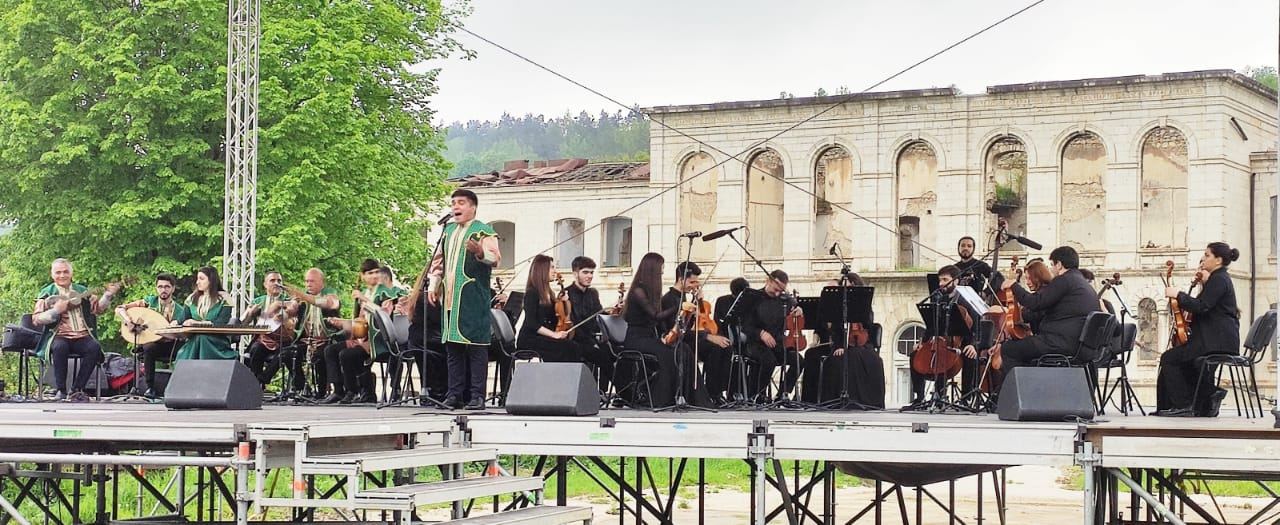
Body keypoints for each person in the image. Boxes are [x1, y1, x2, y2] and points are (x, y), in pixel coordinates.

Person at [423, 189, 501, 410]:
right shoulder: (448, 231)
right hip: (450, 298)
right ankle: (453, 394)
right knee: (453, 347)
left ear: (473, 207)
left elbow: (495, 259)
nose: (456, 207)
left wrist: (479, 252)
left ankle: (477, 396)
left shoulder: (484, 231)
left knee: (476, 346)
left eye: (461, 203)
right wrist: (435, 283)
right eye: (453, 203)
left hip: (472, 297)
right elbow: (439, 261)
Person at [1155, 242, 1241, 417]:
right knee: (1188, 362)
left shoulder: (1219, 279)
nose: (1203, 258)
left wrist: (1178, 294)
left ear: (1218, 260)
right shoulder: (1219, 279)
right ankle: (1206, 398)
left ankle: (1184, 405)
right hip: (1217, 339)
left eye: (1207, 255)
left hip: (1215, 340)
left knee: (1169, 358)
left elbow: (1202, 306)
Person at [993, 246, 1100, 372]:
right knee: (1023, 349)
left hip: (1060, 343)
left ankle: (1025, 388)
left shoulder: (1065, 280)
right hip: (1079, 345)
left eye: (1052, 265)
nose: (1051, 270)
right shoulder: (1083, 284)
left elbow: (1035, 303)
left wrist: (1014, 286)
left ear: (1059, 264)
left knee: (1008, 349)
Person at [33, 259, 120, 401]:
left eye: (65, 272)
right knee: (60, 347)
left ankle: (77, 389)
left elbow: (98, 309)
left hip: (82, 335)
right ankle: (60, 389)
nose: (62, 275)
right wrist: (55, 311)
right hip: (59, 335)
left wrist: (108, 295)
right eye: (58, 272)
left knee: (94, 347)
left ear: (71, 273)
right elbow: (36, 319)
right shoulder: (47, 293)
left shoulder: (82, 290)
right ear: (52, 274)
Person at [801, 274, 885, 407]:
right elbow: (837, 330)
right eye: (844, 285)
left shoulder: (864, 302)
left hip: (862, 344)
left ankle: (861, 400)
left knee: (861, 358)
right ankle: (818, 400)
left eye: (849, 285)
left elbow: (869, 324)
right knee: (825, 357)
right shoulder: (838, 304)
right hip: (842, 343)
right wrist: (840, 345)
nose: (846, 288)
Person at [321, 258, 396, 404]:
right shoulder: (364, 293)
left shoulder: (385, 293)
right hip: (362, 338)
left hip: (378, 340)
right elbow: (359, 323)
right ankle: (338, 390)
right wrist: (341, 323)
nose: (374, 276)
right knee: (330, 350)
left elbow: (384, 315)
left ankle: (354, 391)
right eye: (370, 273)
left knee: (347, 355)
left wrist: (364, 300)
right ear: (362, 276)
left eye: (376, 272)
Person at [621, 252, 692, 407]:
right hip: (636, 339)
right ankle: (660, 399)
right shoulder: (638, 291)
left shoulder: (651, 291)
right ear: (652, 270)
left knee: (681, 349)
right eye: (660, 268)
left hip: (648, 337)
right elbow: (656, 316)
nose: (662, 272)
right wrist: (678, 306)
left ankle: (681, 395)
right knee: (666, 354)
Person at [662, 262, 730, 406]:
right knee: (715, 348)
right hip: (678, 342)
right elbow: (676, 330)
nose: (695, 285)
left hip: (688, 338)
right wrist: (707, 336)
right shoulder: (669, 299)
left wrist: (697, 302)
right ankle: (710, 394)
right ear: (681, 279)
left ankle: (718, 391)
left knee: (725, 346)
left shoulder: (685, 298)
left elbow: (691, 325)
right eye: (692, 282)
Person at [116, 273, 185, 398]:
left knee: (185, 349)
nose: (163, 290)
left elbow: (179, 334)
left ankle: (179, 387)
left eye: (167, 287)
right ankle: (150, 388)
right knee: (149, 347)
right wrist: (128, 321)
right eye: (160, 287)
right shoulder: (149, 302)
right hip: (153, 345)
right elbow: (120, 308)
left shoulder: (180, 310)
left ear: (173, 288)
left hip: (170, 345)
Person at [740, 270, 800, 401]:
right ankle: (758, 395)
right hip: (755, 343)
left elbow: (795, 309)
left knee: (798, 360)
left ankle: (783, 393)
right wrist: (761, 333)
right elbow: (744, 325)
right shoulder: (753, 298)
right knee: (769, 360)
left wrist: (799, 309)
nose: (778, 293)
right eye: (776, 289)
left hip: (777, 343)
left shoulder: (785, 300)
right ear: (768, 281)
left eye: (781, 290)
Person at [285, 268, 342, 398]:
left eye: (312, 281)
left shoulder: (330, 293)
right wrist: (289, 308)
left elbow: (332, 304)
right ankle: (303, 388)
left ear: (322, 282)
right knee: (288, 353)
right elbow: (289, 312)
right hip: (306, 341)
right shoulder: (303, 298)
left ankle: (322, 393)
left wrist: (304, 297)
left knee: (322, 354)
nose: (308, 284)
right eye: (306, 281)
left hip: (327, 340)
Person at [564, 256, 616, 388]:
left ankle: (605, 391)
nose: (590, 276)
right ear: (575, 274)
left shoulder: (593, 293)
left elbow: (599, 315)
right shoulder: (567, 294)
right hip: (576, 340)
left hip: (592, 338)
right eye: (585, 272)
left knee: (613, 352)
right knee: (600, 355)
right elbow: (573, 324)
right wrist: (592, 343)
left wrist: (613, 313)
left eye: (592, 272)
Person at [243, 271, 295, 388]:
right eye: (272, 281)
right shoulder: (258, 301)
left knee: (284, 353)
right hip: (263, 340)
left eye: (279, 281)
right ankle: (256, 384)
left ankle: (263, 379)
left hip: (283, 340)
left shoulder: (287, 300)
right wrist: (250, 314)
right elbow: (244, 323)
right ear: (265, 284)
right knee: (256, 349)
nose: (276, 283)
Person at [173, 266, 235, 360]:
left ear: (211, 280)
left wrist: (196, 323)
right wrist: (174, 323)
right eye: (197, 279)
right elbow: (182, 319)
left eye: (201, 279)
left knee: (202, 338)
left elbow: (220, 323)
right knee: (197, 339)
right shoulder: (192, 298)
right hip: (195, 339)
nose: (198, 282)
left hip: (216, 341)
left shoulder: (224, 299)